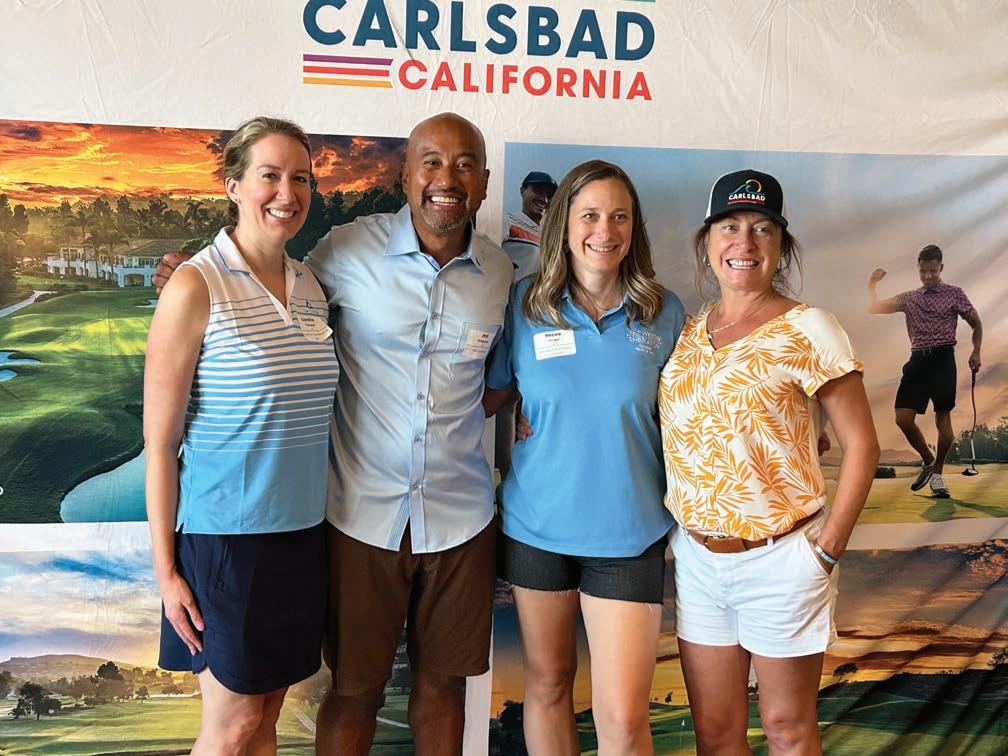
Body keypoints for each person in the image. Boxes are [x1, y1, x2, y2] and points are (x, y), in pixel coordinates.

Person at [158, 112, 512, 754]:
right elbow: (252, 276)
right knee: (349, 691)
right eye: (431, 162)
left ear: (485, 182)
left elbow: (496, 384)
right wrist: (188, 276)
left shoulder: (500, 273)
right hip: (354, 518)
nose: (447, 178)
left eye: (465, 165)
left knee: (440, 690)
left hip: (456, 518)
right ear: (405, 176)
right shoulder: (344, 251)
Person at [659, 169, 879, 754]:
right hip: (699, 561)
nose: (745, 242)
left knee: (787, 729)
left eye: (762, 229)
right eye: (729, 226)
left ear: (782, 245)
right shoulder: (688, 332)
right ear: (707, 242)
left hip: (783, 558)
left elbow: (861, 445)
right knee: (715, 733)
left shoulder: (809, 327)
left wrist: (826, 550)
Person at [144, 117, 339, 754]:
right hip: (226, 541)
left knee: (264, 720)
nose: (288, 193)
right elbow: (160, 446)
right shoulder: (195, 285)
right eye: (270, 176)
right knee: (231, 727)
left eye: (301, 178)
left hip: (301, 536)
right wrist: (167, 572)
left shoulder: (310, 285)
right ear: (233, 185)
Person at [484, 160, 685, 754]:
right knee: (547, 685)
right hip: (536, 530)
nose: (605, 230)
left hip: (629, 534)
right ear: (564, 226)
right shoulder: (523, 305)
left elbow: (693, 417)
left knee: (622, 718)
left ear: (634, 227)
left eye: (619, 217)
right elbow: (485, 397)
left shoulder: (665, 312)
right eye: (590, 215)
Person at [868, 244, 982, 498]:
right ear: (918, 269)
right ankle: (928, 460)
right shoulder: (910, 298)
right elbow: (875, 307)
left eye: (933, 271)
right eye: (923, 271)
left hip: (943, 360)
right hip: (917, 360)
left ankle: (938, 475)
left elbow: (976, 323)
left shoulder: (954, 294)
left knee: (943, 418)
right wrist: (872, 284)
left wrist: (976, 351)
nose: (928, 276)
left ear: (941, 268)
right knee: (902, 418)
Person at [502, 170, 559, 280]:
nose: (545, 199)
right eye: (539, 191)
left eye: (549, 196)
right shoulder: (507, 220)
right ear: (522, 190)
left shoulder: (552, 237)